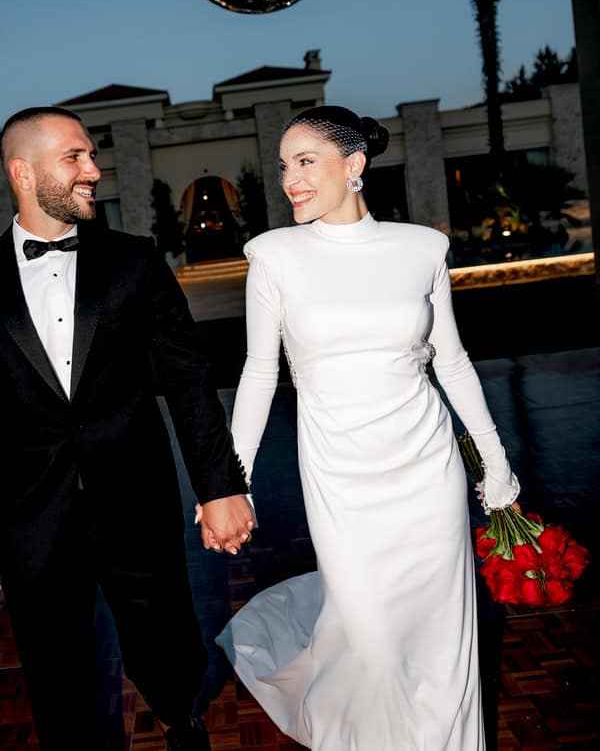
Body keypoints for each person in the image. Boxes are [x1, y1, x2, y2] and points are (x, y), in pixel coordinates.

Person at [213, 106, 521, 750]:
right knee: (374, 637)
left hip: (425, 464)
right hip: (338, 471)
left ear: (353, 165)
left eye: (305, 162)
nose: (290, 180)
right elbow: (259, 373)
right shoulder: (273, 256)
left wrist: (494, 460)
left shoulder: (422, 248)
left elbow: (454, 361)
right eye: (283, 167)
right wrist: (228, 481)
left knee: (443, 635)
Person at [0, 107, 255, 751]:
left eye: (92, 154)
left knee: (166, 641)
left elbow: (190, 380)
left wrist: (219, 486)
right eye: (75, 158)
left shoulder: (133, 262)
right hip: (29, 516)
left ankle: (179, 718)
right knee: (52, 666)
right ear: (23, 172)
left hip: (136, 500)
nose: (94, 169)